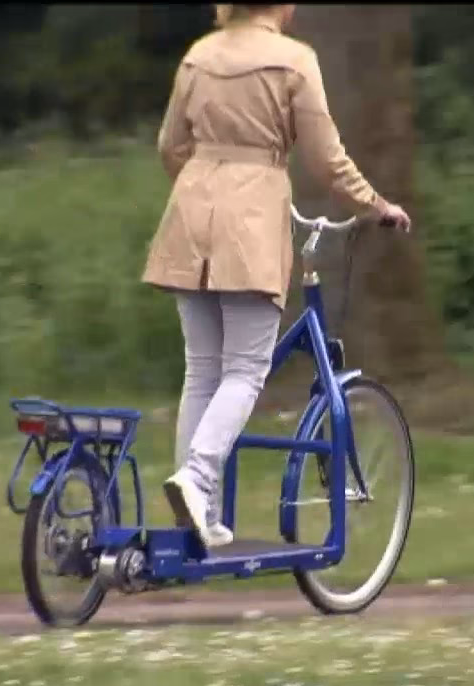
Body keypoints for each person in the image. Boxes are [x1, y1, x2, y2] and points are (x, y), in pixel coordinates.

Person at [141, 3, 411, 550]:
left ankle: (200, 512)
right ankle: (196, 479)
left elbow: (170, 146)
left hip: (190, 216)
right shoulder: (294, 61)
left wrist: (204, 185)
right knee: (245, 368)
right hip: (249, 220)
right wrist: (376, 203)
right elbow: (327, 160)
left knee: (202, 370)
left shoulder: (198, 55)